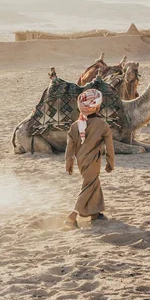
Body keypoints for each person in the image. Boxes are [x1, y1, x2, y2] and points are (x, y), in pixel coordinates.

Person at [64, 89, 115, 228]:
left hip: (81, 161)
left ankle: (95, 213)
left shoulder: (75, 126)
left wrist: (69, 163)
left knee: (93, 183)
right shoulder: (102, 125)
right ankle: (72, 216)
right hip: (94, 161)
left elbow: (70, 147)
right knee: (89, 185)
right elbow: (109, 147)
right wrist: (110, 163)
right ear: (97, 107)